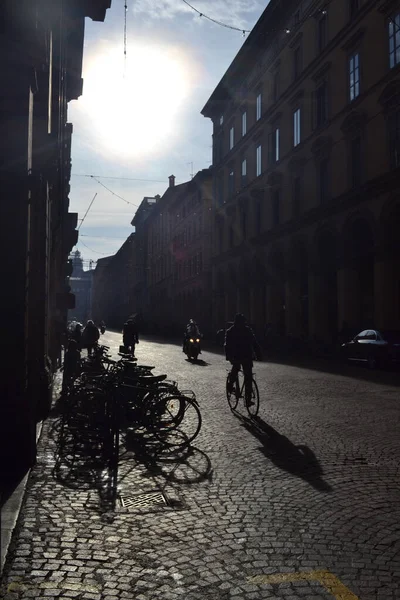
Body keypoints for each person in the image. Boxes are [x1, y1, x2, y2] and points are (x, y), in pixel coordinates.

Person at [225, 313, 262, 405]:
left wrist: (258, 354)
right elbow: (227, 345)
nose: (243, 324)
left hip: (245, 356)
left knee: (247, 376)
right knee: (239, 370)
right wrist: (229, 357)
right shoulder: (233, 331)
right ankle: (231, 386)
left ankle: (247, 398)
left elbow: (254, 342)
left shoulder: (243, 330)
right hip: (238, 355)